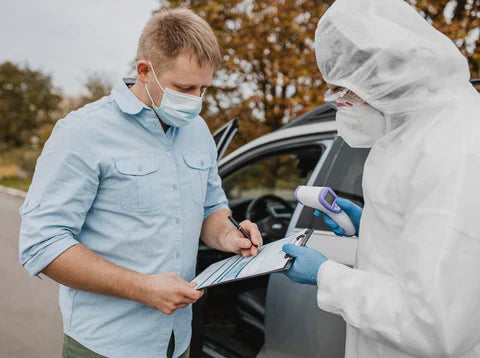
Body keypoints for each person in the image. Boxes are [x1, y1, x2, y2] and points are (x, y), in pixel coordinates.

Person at [18, 8, 262, 358]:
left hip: (179, 341)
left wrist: (228, 235)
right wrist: (143, 288)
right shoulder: (84, 132)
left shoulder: (198, 132)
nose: (196, 100)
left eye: (203, 88)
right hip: (105, 346)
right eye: (184, 87)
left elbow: (210, 209)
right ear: (145, 71)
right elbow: (41, 244)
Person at [283, 0, 480, 357]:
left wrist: (327, 275)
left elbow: (433, 324)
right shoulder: (413, 127)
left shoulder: (454, 148)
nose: (339, 101)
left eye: (344, 89)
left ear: (382, 72)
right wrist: (373, 226)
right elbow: (421, 256)